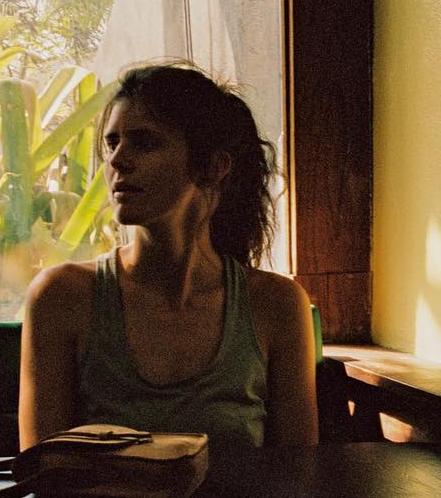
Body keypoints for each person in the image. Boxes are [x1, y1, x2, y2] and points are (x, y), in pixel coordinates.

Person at [18, 63, 318, 451]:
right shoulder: (62, 297)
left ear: (213, 167)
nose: (117, 160)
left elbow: (299, 471)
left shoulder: (275, 304)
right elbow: (44, 467)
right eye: (112, 143)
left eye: (145, 143)